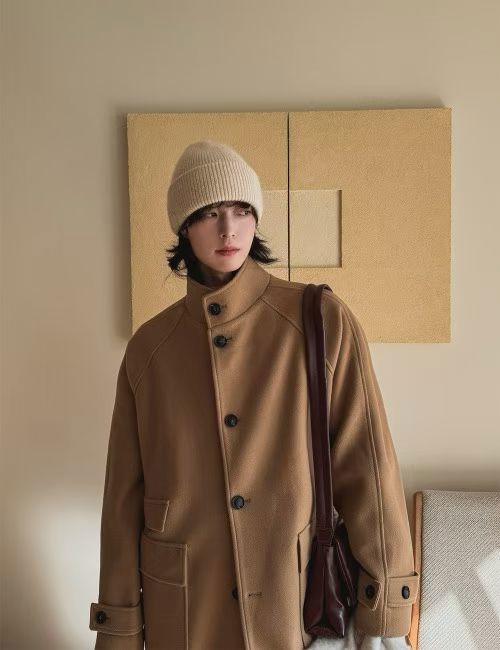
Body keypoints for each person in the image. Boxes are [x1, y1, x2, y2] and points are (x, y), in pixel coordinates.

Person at [89, 140, 419, 649]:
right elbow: (122, 500)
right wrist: (119, 628)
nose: (229, 229)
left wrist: (387, 604)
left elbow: (368, 469)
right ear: (184, 226)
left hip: (292, 604)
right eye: (210, 213)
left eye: (242, 210)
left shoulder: (321, 321)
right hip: (183, 610)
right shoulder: (149, 350)